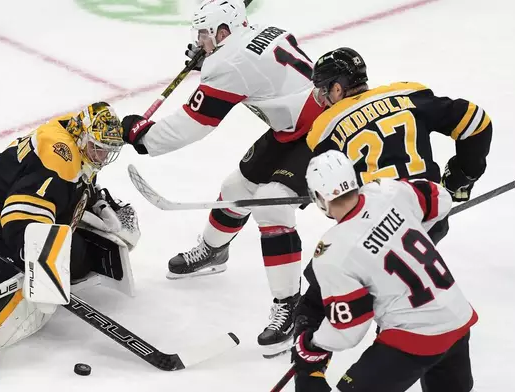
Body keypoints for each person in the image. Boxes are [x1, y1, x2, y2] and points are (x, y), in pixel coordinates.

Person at [120, 0, 324, 357]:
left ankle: (290, 306)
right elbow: (258, 70)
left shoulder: (228, 61)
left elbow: (196, 123)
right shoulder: (259, 34)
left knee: (270, 207)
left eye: (204, 33)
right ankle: (214, 251)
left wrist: (144, 138)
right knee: (236, 189)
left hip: (325, 134)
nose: (200, 40)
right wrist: (210, 60)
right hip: (292, 128)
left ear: (223, 30)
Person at [0, 102, 141, 371]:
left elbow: (66, 186)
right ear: (83, 135)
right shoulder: (59, 157)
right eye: (98, 148)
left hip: (11, 213)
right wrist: (36, 260)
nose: (102, 157)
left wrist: (99, 202)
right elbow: (20, 216)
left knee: (77, 259)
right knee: (2, 276)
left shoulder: (76, 138)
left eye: (108, 151)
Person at [290, 150, 477, 392]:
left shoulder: (332, 252)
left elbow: (349, 330)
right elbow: (440, 199)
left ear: (319, 198)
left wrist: (312, 345)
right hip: (456, 316)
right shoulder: (387, 191)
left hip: (414, 337)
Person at [306, 47, 493, 244]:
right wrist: (461, 176)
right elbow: (476, 121)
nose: (323, 100)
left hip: (377, 229)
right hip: (431, 210)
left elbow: (332, 195)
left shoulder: (324, 128)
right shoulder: (406, 94)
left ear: (337, 89)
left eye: (323, 91)